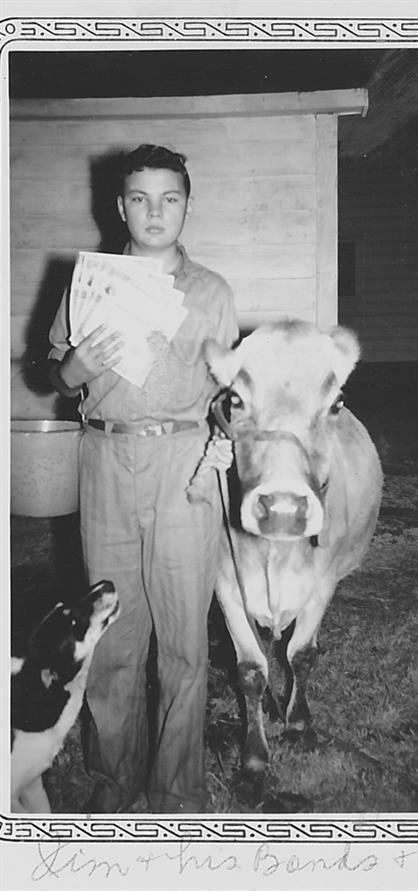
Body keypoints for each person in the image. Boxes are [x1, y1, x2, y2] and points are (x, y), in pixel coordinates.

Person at [48, 144, 239, 814]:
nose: (154, 212)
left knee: (184, 639)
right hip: (104, 460)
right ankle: (114, 775)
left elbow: (226, 392)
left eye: (170, 198)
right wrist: (71, 371)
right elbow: (53, 374)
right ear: (118, 204)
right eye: (139, 198)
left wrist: (225, 434)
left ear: (187, 203)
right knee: (114, 629)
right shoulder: (88, 283)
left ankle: (177, 787)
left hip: (183, 465)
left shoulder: (211, 291)